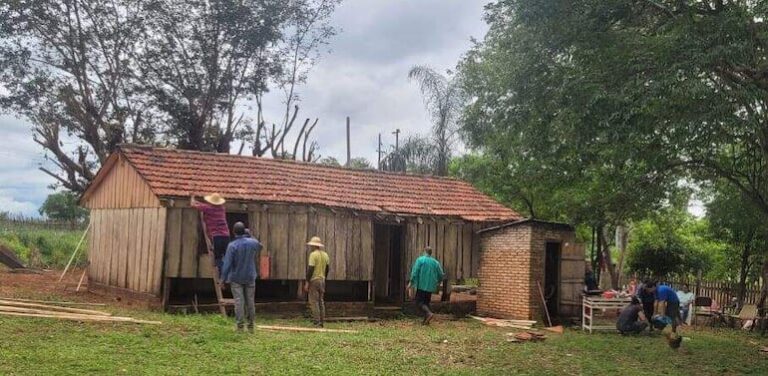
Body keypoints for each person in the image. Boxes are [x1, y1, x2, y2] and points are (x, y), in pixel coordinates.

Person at [220, 222, 262, 333]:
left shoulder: (232, 245)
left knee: (239, 302)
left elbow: (227, 264)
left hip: (236, 277)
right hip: (250, 276)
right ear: (244, 231)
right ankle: (251, 325)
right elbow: (260, 246)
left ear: (233, 232)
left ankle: (239, 326)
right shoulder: (252, 243)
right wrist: (250, 235)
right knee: (250, 301)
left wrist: (222, 279)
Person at [190, 193, 230, 275]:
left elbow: (192, 204)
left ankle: (222, 275)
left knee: (218, 257)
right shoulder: (222, 208)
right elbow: (205, 206)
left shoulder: (208, 208)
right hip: (226, 235)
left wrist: (192, 197)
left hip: (216, 236)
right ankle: (228, 273)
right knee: (226, 256)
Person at [407, 247, 444, 325]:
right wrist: (439, 281)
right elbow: (441, 274)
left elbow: (415, 271)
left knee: (419, 302)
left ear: (424, 251)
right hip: (430, 286)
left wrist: (411, 282)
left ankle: (429, 313)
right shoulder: (435, 262)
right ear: (431, 253)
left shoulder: (420, 260)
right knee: (426, 303)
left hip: (422, 285)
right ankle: (426, 321)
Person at [305, 236, 330, 327]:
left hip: (314, 280)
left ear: (313, 246)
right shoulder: (325, 255)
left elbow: (310, 269)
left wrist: (307, 282)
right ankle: (322, 321)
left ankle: (316, 321)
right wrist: (324, 278)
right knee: (321, 301)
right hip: (322, 280)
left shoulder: (313, 255)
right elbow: (327, 269)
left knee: (313, 301)